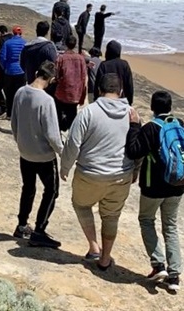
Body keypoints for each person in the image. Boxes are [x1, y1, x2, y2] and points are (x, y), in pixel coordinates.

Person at [60, 73, 135, 270]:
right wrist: (135, 171)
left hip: (90, 174)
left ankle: (94, 247)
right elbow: (138, 147)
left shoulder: (88, 112)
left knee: (81, 205)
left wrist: (65, 167)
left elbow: (73, 143)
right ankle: (105, 258)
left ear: (99, 91)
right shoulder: (132, 113)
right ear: (120, 91)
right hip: (121, 176)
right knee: (111, 216)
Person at [126, 90, 183, 293]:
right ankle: (174, 275)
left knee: (146, 220)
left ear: (152, 107)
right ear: (171, 107)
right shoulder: (180, 125)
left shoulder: (151, 128)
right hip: (177, 185)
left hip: (153, 186)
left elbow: (133, 151)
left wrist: (134, 126)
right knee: (170, 226)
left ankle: (158, 265)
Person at [11, 61, 63, 248]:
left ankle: (22, 224)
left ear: (36, 73)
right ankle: (40, 230)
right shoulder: (46, 100)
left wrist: (21, 143)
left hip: (25, 152)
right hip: (44, 156)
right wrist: (63, 152)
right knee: (52, 191)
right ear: (51, 79)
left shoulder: (20, 92)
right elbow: (52, 134)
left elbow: (14, 122)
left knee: (28, 188)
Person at [54, 35, 87, 132]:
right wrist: (82, 95)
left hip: (62, 93)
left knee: (58, 116)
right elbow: (83, 77)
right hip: (75, 94)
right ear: (75, 44)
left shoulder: (61, 58)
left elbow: (56, 75)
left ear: (65, 44)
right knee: (72, 118)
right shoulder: (81, 59)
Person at [94, 40, 134, 106]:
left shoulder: (104, 65)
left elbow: (98, 84)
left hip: (105, 101)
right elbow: (129, 85)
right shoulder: (124, 65)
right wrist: (129, 102)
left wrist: (96, 99)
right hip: (121, 100)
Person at [0, 25, 26, 120]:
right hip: (21, 72)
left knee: (9, 94)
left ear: (13, 33)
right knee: (20, 94)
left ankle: (10, 114)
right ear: (21, 33)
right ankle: (19, 114)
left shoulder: (7, 43)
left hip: (9, 71)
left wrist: (5, 67)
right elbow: (27, 57)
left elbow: (2, 57)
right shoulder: (25, 43)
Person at [20, 21, 57, 85]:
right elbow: (54, 64)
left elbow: (22, 64)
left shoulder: (27, 47)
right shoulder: (49, 47)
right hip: (45, 84)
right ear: (47, 32)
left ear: (36, 31)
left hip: (31, 81)